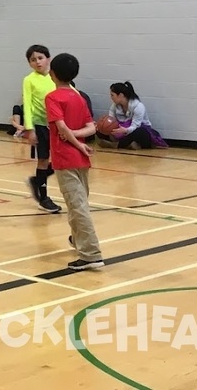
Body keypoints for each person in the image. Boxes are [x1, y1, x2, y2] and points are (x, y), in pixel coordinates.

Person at [44, 53, 104, 270]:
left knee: (77, 206)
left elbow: (60, 127)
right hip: (82, 160)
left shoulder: (53, 97)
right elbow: (92, 127)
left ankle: (91, 254)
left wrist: (76, 143)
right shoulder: (78, 96)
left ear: (52, 74)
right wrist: (79, 138)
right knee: (76, 204)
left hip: (66, 158)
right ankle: (78, 239)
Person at [22, 44, 63, 214]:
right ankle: (44, 198)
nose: (37, 62)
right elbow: (28, 104)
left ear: (48, 59)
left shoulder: (55, 77)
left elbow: (69, 93)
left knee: (62, 160)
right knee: (43, 160)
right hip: (40, 125)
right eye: (33, 59)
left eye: (40, 58)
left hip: (56, 124)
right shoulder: (29, 80)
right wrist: (29, 129)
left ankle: (37, 180)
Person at [102, 81, 164, 149]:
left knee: (140, 132)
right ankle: (130, 145)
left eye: (112, 95)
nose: (111, 97)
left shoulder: (138, 106)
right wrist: (106, 126)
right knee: (101, 130)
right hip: (122, 130)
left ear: (120, 95)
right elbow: (111, 119)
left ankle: (117, 145)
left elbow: (135, 126)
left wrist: (126, 130)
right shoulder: (114, 106)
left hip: (137, 130)